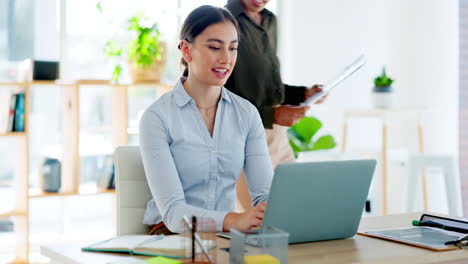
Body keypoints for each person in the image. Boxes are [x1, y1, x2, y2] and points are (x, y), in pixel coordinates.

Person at [139, 5, 273, 235]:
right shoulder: (157, 118)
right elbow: (174, 213)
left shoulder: (247, 114)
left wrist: (272, 211)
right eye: (214, 47)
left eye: (233, 48)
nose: (226, 59)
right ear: (186, 50)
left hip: (224, 236)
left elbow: (265, 195)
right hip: (171, 237)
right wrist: (233, 220)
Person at [224, 0, 326, 211]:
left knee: (296, 211)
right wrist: (271, 115)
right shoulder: (223, 22)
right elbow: (218, 96)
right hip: (243, 137)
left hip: (277, 136)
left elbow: (266, 83)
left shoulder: (270, 20)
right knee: (262, 221)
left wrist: (304, 93)